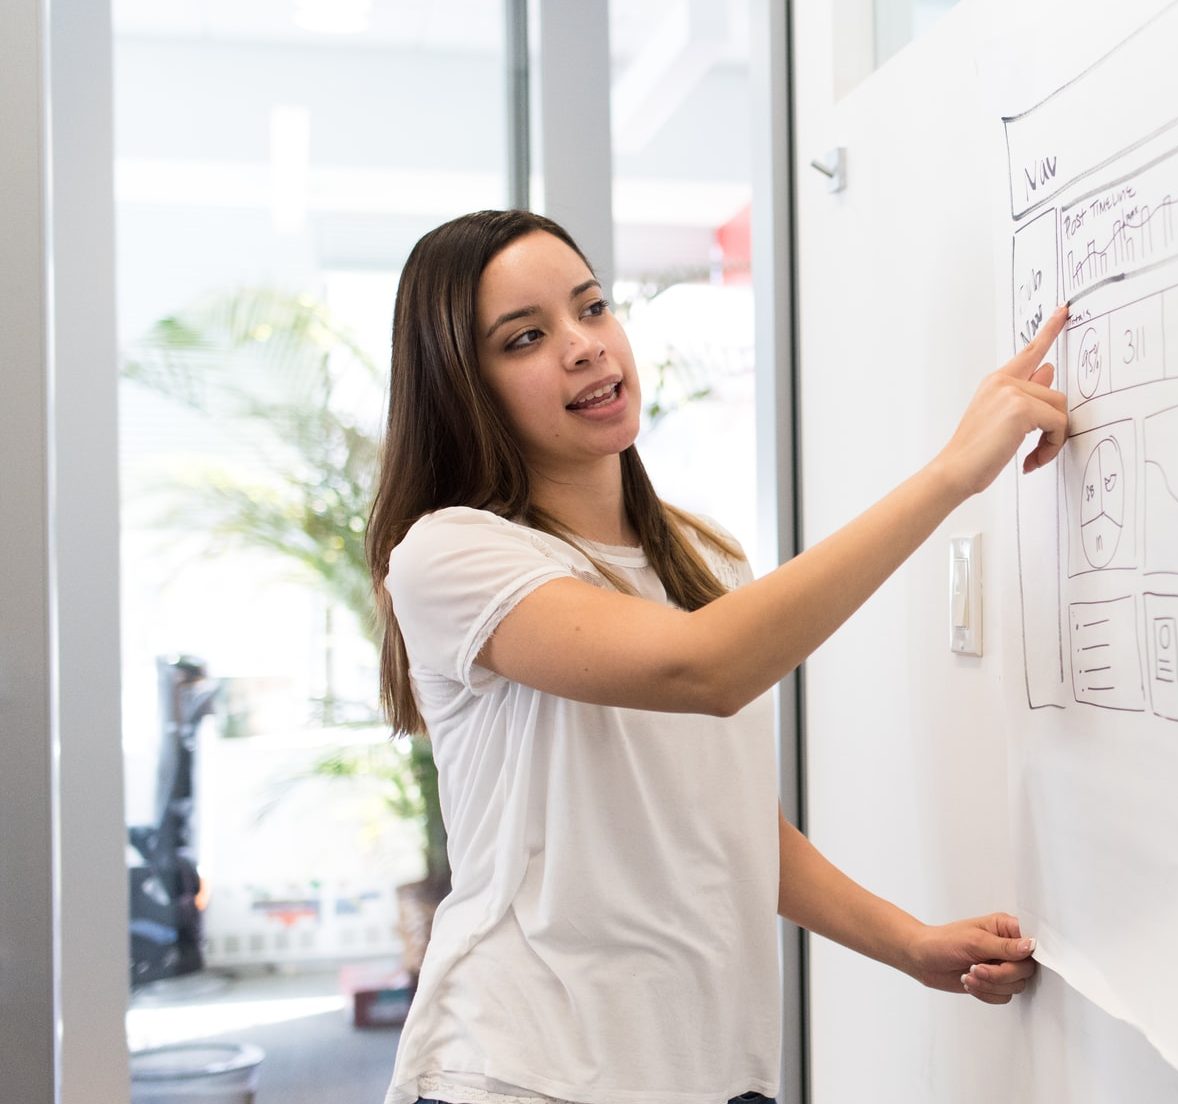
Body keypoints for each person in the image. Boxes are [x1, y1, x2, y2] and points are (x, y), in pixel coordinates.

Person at [368, 209, 1070, 1104]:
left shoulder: (703, 559)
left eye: (591, 308)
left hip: (712, 1070)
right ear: (463, 386)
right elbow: (702, 670)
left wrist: (907, 942)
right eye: (526, 338)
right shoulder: (451, 554)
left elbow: (730, 824)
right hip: (526, 1071)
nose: (583, 347)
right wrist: (950, 475)